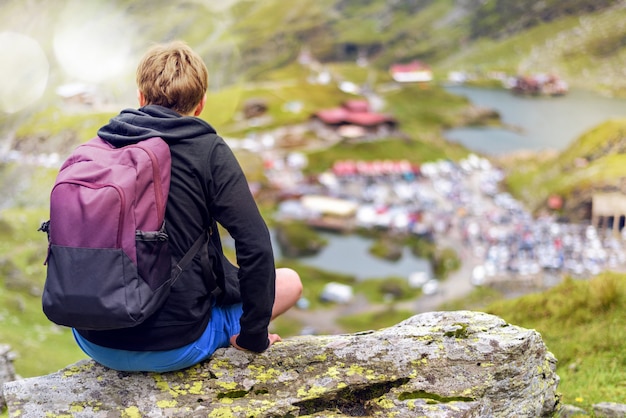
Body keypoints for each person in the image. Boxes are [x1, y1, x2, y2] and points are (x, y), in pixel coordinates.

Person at [71, 41, 303, 372]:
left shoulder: (102, 145)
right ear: (201, 105)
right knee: (290, 282)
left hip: (96, 340)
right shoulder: (207, 150)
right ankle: (220, 332)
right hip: (176, 345)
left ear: (140, 98)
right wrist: (254, 337)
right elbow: (255, 246)